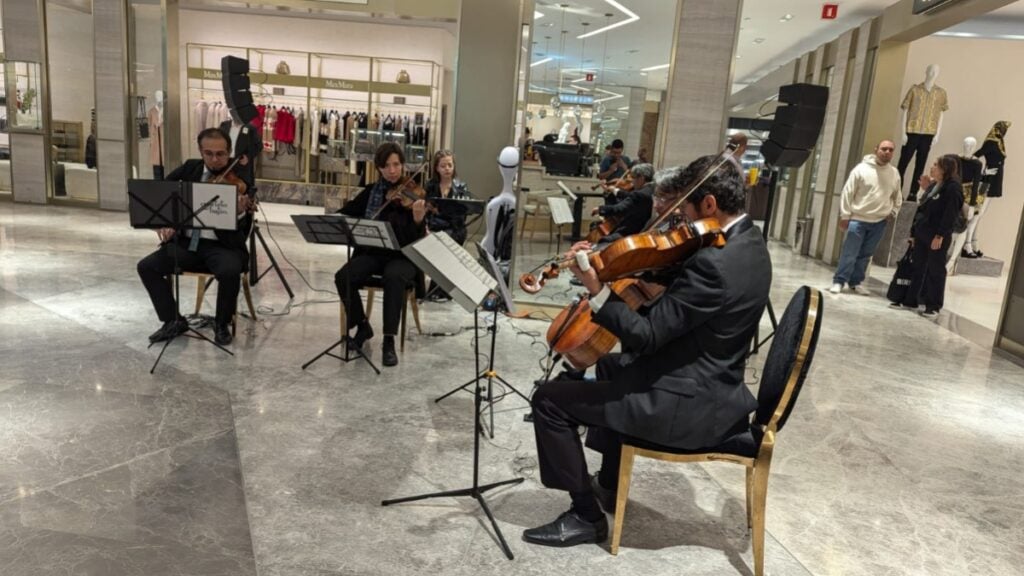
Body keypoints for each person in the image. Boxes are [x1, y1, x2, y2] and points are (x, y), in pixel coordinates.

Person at [522, 154, 772, 548]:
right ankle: (607, 485)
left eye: (687, 210)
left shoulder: (714, 264)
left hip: (687, 407)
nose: (683, 222)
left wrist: (598, 290)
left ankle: (585, 515)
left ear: (709, 205)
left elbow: (647, 336)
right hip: (714, 383)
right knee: (607, 366)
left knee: (550, 400)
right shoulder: (750, 244)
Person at [137, 128, 254, 346]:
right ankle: (173, 320)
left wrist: (240, 211)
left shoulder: (240, 175)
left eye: (220, 154)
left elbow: (245, 225)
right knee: (146, 266)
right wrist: (164, 220)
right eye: (208, 153)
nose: (215, 160)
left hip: (223, 246)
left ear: (229, 152)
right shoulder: (190, 168)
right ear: (200, 151)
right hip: (187, 244)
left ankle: (221, 323)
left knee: (229, 271)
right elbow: (162, 191)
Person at [335, 142, 427, 367]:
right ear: (379, 168)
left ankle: (389, 341)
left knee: (394, 277)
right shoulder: (372, 193)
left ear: (403, 165)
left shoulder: (413, 195)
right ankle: (363, 326)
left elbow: (416, 239)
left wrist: (417, 219)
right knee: (343, 276)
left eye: (396, 164)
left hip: (402, 257)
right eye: (386, 166)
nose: (392, 170)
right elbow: (347, 213)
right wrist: (337, 218)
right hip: (374, 254)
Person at [892, 154, 962, 318]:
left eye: (936, 165)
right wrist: (913, 233)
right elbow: (921, 210)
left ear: (945, 169)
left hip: (937, 237)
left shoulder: (953, 188)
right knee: (918, 267)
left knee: (935, 270)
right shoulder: (934, 186)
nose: (932, 167)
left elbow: (949, 215)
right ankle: (910, 299)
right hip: (922, 234)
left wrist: (940, 235)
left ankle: (933, 305)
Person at [830, 140, 902, 295]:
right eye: (884, 149)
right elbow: (848, 192)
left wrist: (893, 212)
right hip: (857, 220)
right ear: (876, 149)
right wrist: (845, 215)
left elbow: (897, 196)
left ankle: (855, 282)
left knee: (865, 255)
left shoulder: (894, 173)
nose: (887, 152)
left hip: (879, 222)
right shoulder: (861, 169)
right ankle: (839, 281)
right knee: (850, 253)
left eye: (890, 150)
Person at [424, 150, 471, 301]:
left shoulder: (461, 187)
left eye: (450, 165)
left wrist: (442, 211)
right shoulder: (430, 186)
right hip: (434, 227)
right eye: (443, 166)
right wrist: (426, 227)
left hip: (454, 228)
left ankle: (438, 291)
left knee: (445, 242)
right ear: (437, 168)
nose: (447, 168)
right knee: (434, 240)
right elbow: (426, 211)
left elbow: (462, 215)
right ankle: (439, 290)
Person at [590, 163, 655, 241]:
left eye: (633, 178)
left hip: (631, 232)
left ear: (641, 178)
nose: (632, 182)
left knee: (603, 241)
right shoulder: (652, 190)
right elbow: (630, 198)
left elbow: (620, 209)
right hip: (641, 230)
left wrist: (600, 209)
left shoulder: (640, 194)